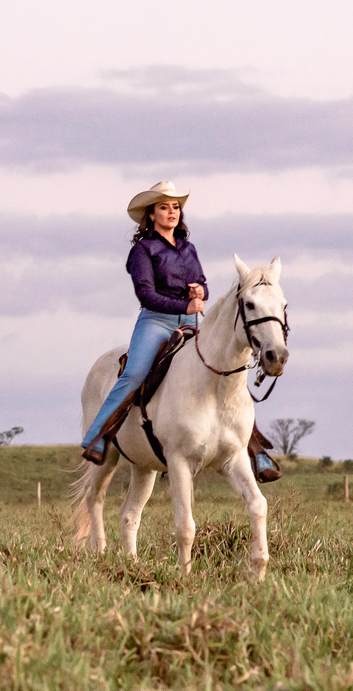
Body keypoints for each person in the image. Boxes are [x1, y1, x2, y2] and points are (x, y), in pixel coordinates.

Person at [80, 180, 280, 483]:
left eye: (175, 207)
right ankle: (100, 435)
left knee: (225, 373)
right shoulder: (143, 250)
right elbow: (145, 293)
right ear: (151, 215)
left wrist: (200, 289)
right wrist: (182, 305)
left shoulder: (188, 248)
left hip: (189, 324)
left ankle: (255, 448)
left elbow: (202, 282)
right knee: (134, 374)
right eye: (164, 207)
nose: (171, 212)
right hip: (156, 322)